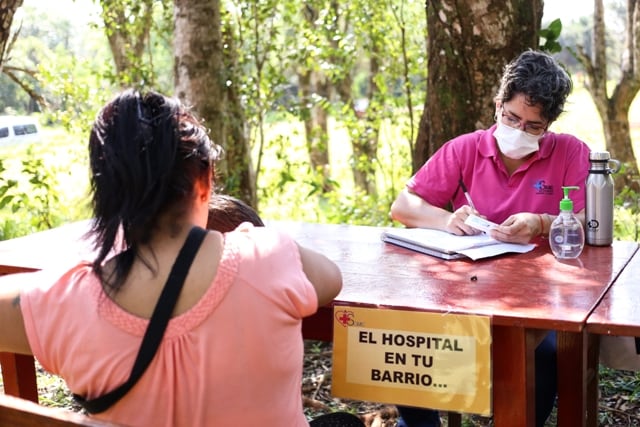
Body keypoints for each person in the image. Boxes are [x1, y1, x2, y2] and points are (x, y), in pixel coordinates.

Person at [0, 89, 345, 427]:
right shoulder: (268, 257)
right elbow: (332, 279)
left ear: (105, 193)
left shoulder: (66, 301)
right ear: (205, 181)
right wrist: (248, 240)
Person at [390, 50, 591, 427]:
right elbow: (403, 206)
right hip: (465, 291)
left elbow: (590, 221)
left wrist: (542, 222)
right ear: (497, 105)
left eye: (533, 126)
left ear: (549, 124)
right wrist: (448, 219)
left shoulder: (569, 152)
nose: (519, 130)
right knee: (402, 335)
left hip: (541, 299)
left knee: (544, 354)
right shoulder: (467, 148)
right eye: (511, 117)